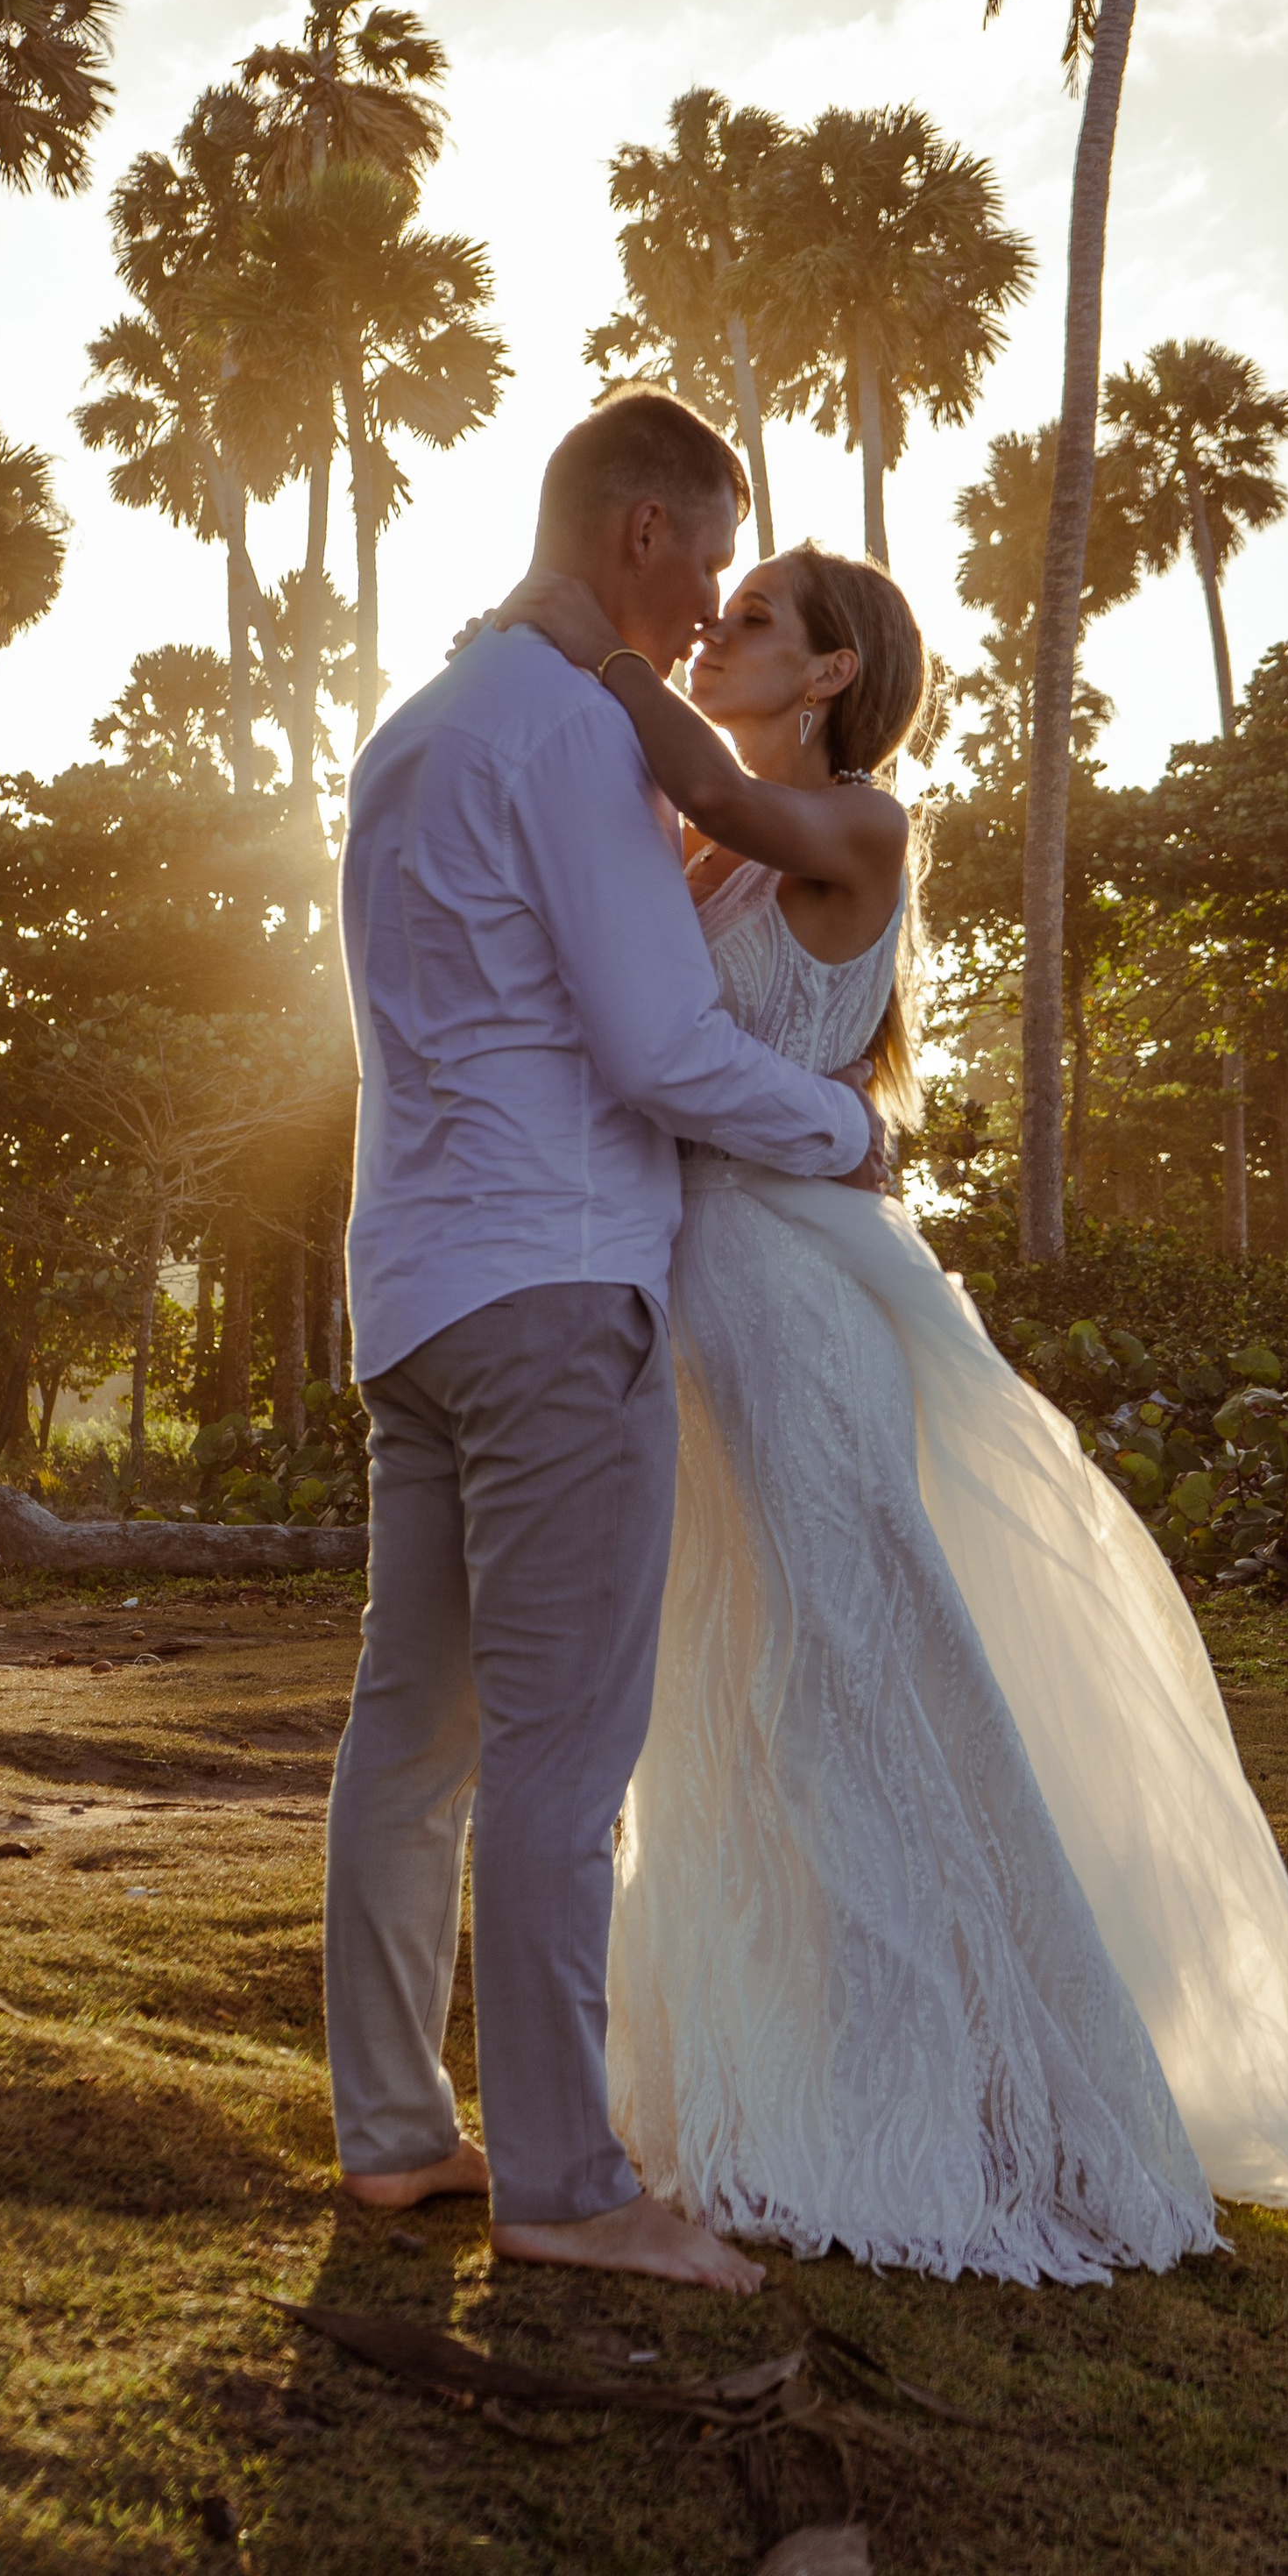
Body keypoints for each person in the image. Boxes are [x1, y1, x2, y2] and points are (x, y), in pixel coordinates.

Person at [497, 537, 1288, 2281]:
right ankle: (752, 2070)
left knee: (841, 1669)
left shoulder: (859, 822)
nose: (719, 631)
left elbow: (688, 769)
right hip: (684, 1280)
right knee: (725, 1685)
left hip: (789, 1290)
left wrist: (580, 637)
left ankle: (932, 2090)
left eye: (757, 617)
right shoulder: (700, 846)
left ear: (834, 672)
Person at [326, 392, 885, 2292]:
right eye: (707, 564)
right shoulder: (567, 730)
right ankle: (567, 2190)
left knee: (409, 1734)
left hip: (405, 1282)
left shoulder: (410, 729)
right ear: (642, 532)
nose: (706, 602)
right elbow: (656, 1048)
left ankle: (399, 2138)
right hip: (555, 1289)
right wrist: (849, 1134)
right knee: (565, 1753)